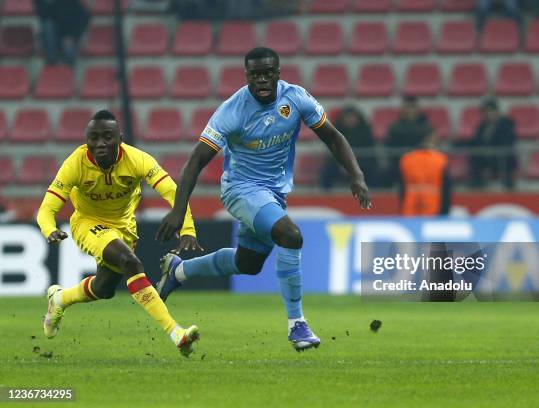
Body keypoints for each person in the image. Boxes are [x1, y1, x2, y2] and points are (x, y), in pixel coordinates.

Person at [155, 47, 371, 351]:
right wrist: (178, 211)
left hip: (273, 194)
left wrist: (356, 175)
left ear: (277, 73)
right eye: (255, 74)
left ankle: (178, 271)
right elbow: (196, 161)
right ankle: (297, 325)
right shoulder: (233, 110)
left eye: (267, 73)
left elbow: (333, 137)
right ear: (247, 76)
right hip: (240, 189)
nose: (262, 80)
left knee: (249, 263)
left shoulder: (295, 98)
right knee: (291, 236)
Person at [36, 110, 202, 357]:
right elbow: (46, 209)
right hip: (88, 222)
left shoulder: (137, 160)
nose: (100, 143)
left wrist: (187, 228)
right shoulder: (76, 163)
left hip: (124, 226)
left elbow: (172, 192)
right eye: (93, 138)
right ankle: (176, 333)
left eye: (107, 137)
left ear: (120, 138)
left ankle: (59, 299)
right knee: (130, 263)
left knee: (104, 289)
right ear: (86, 140)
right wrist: (50, 229)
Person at [320, 106, 378, 189]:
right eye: (347, 117)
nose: (349, 120)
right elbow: (331, 152)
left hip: (361, 163)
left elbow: (370, 152)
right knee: (326, 171)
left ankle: (374, 193)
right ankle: (326, 195)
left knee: (373, 171)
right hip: (340, 165)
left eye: (352, 117)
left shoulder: (365, 131)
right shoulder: (335, 131)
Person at [465, 98, 517, 190]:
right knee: (474, 156)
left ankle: (508, 185)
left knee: (506, 158)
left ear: (496, 110)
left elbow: (508, 142)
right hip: (486, 156)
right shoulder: (483, 126)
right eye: (485, 112)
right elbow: (476, 141)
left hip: (501, 156)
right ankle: (477, 184)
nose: (487, 114)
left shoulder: (506, 123)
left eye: (489, 111)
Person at [384, 96, 434, 187]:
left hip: (422, 164)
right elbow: (390, 148)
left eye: (412, 107)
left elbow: (430, 146)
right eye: (407, 107)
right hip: (400, 164)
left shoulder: (427, 127)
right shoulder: (395, 127)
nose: (410, 110)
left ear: (417, 109)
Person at [399, 132, 451, 216]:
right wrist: (445, 211)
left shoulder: (406, 160)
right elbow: (446, 189)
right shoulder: (441, 160)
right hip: (433, 206)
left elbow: (402, 187)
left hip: (410, 206)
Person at [34, 0, 90, 65]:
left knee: (69, 50)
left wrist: (73, 37)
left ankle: (69, 71)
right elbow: (43, 17)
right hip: (52, 40)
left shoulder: (70, 2)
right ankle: (52, 63)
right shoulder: (42, 2)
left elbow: (85, 17)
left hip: (69, 38)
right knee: (47, 25)